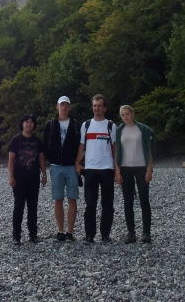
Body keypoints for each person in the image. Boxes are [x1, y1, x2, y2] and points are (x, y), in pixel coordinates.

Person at [76, 94, 117, 244]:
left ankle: (105, 234)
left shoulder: (111, 126)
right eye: (94, 105)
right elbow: (82, 147)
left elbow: (115, 149)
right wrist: (77, 163)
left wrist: (117, 169)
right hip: (90, 168)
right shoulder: (86, 125)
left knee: (107, 203)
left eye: (99, 105)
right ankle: (89, 235)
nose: (96, 108)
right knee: (90, 203)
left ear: (105, 108)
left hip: (107, 168)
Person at [115, 105, 156, 244]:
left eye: (127, 114)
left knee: (144, 199)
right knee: (128, 200)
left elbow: (149, 150)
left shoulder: (143, 129)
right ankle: (131, 232)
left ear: (133, 114)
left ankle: (146, 232)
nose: (125, 116)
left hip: (141, 167)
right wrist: (117, 171)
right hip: (125, 167)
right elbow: (116, 152)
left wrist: (149, 169)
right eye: (122, 114)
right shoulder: (119, 130)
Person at [44, 96, 81, 242]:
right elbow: (45, 144)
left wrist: (78, 163)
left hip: (71, 166)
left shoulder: (76, 125)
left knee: (72, 199)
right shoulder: (51, 124)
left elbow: (80, 146)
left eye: (66, 105)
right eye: (62, 105)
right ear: (57, 107)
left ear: (70, 107)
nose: (64, 107)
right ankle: (60, 230)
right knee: (58, 199)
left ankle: (70, 231)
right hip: (56, 166)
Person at [8, 114, 47, 245]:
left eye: (31, 122)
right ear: (22, 124)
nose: (29, 124)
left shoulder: (37, 141)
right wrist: (11, 176)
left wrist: (44, 174)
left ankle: (33, 234)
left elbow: (41, 158)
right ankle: (16, 236)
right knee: (18, 206)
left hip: (33, 178)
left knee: (32, 207)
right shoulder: (16, 140)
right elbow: (11, 160)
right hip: (19, 178)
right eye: (26, 122)